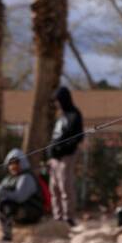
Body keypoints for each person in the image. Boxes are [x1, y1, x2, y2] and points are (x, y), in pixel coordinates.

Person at [0, 149, 45, 242]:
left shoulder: (27, 177)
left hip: (31, 212)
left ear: (22, 163)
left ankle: (7, 236)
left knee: (5, 205)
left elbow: (19, 197)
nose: (13, 166)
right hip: (16, 210)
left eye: (16, 163)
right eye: (10, 164)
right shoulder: (8, 178)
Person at [48, 86, 83, 227]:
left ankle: (69, 217)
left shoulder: (74, 114)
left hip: (66, 157)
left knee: (65, 186)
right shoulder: (60, 117)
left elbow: (78, 137)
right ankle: (58, 217)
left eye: (58, 100)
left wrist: (62, 148)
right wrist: (51, 152)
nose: (56, 103)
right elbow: (55, 136)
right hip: (54, 159)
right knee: (54, 187)